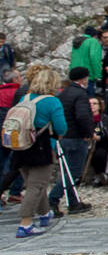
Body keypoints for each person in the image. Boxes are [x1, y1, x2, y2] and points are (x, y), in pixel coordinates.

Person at [11, 69, 67, 238]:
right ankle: (25, 223)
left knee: (34, 183)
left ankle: (44, 214)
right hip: (41, 147)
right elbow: (61, 127)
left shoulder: (24, 98)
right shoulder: (52, 101)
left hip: (20, 145)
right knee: (36, 186)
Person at [48, 67, 94, 216]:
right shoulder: (80, 94)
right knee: (73, 172)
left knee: (67, 171)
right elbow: (82, 116)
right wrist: (88, 133)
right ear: (83, 79)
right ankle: (53, 199)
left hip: (64, 136)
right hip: (76, 137)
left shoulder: (63, 93)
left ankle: (73, 202)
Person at [87, 96, 108, 186]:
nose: (92, 106)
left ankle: (99, 175)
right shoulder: (85, 118)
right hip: (86, 143)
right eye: (90, 104)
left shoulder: (104, 118)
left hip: (101, 144)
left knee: (99, 154)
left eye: (94, 104)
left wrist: (98, 137)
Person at [70, 27, 102, 97]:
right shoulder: (93, 41)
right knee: (88, 98)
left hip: (74, 75)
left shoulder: (77, 42)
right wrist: (98, 75)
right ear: (95, 35)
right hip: (87, 75)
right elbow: (94, 58)